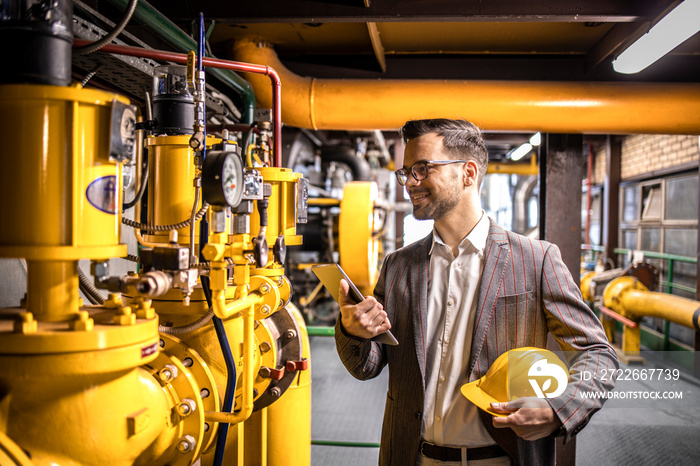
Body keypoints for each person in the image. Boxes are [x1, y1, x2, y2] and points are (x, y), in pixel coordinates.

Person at [334, 118, 618, 466]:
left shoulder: (536, 259)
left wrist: (559, 409)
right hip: (412, 456)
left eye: (422, 168)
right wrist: (353, 331)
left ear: (468, 173)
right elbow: (368, 366)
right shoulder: (398, 266)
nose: (409, 182)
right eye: (406, 171)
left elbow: (597, 352)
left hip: (504, 457)